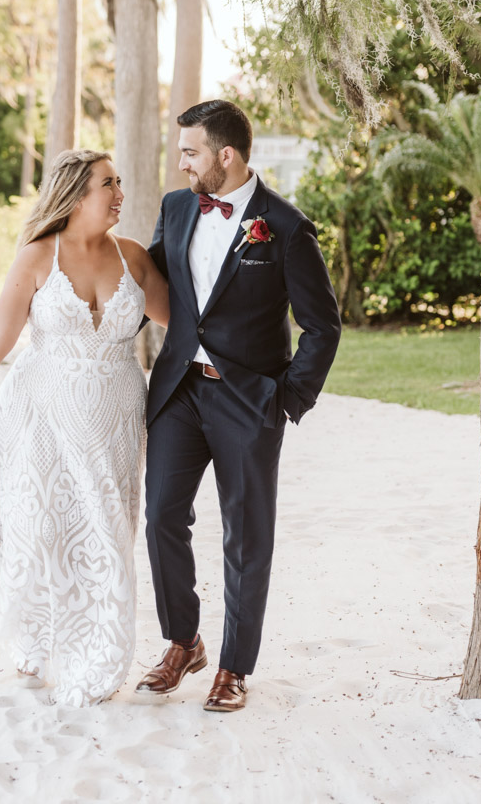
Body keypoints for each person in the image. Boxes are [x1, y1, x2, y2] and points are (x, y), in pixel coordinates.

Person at [0, 149, 169, 707]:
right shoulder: (38, 255)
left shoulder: (136, 258)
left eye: (120, 182)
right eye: (106, 185)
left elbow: (183, 324)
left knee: (107, 531)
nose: (119, 193)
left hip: (114, 418)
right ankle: (33, 641)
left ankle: (98, 651)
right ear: (74, 194)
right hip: (35, 413)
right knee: (39, 526)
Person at [136, 100, 341, 711]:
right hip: (177, 391)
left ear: (226, 156)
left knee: (245, 535)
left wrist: (285, 399)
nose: (181, 165)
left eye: (190, 153)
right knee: (161, 517)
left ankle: (234, 667)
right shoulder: (176, 208)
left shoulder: (285, 226)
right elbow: (151, 285)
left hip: (248, 400)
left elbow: (322, 326)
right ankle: (183, 640)